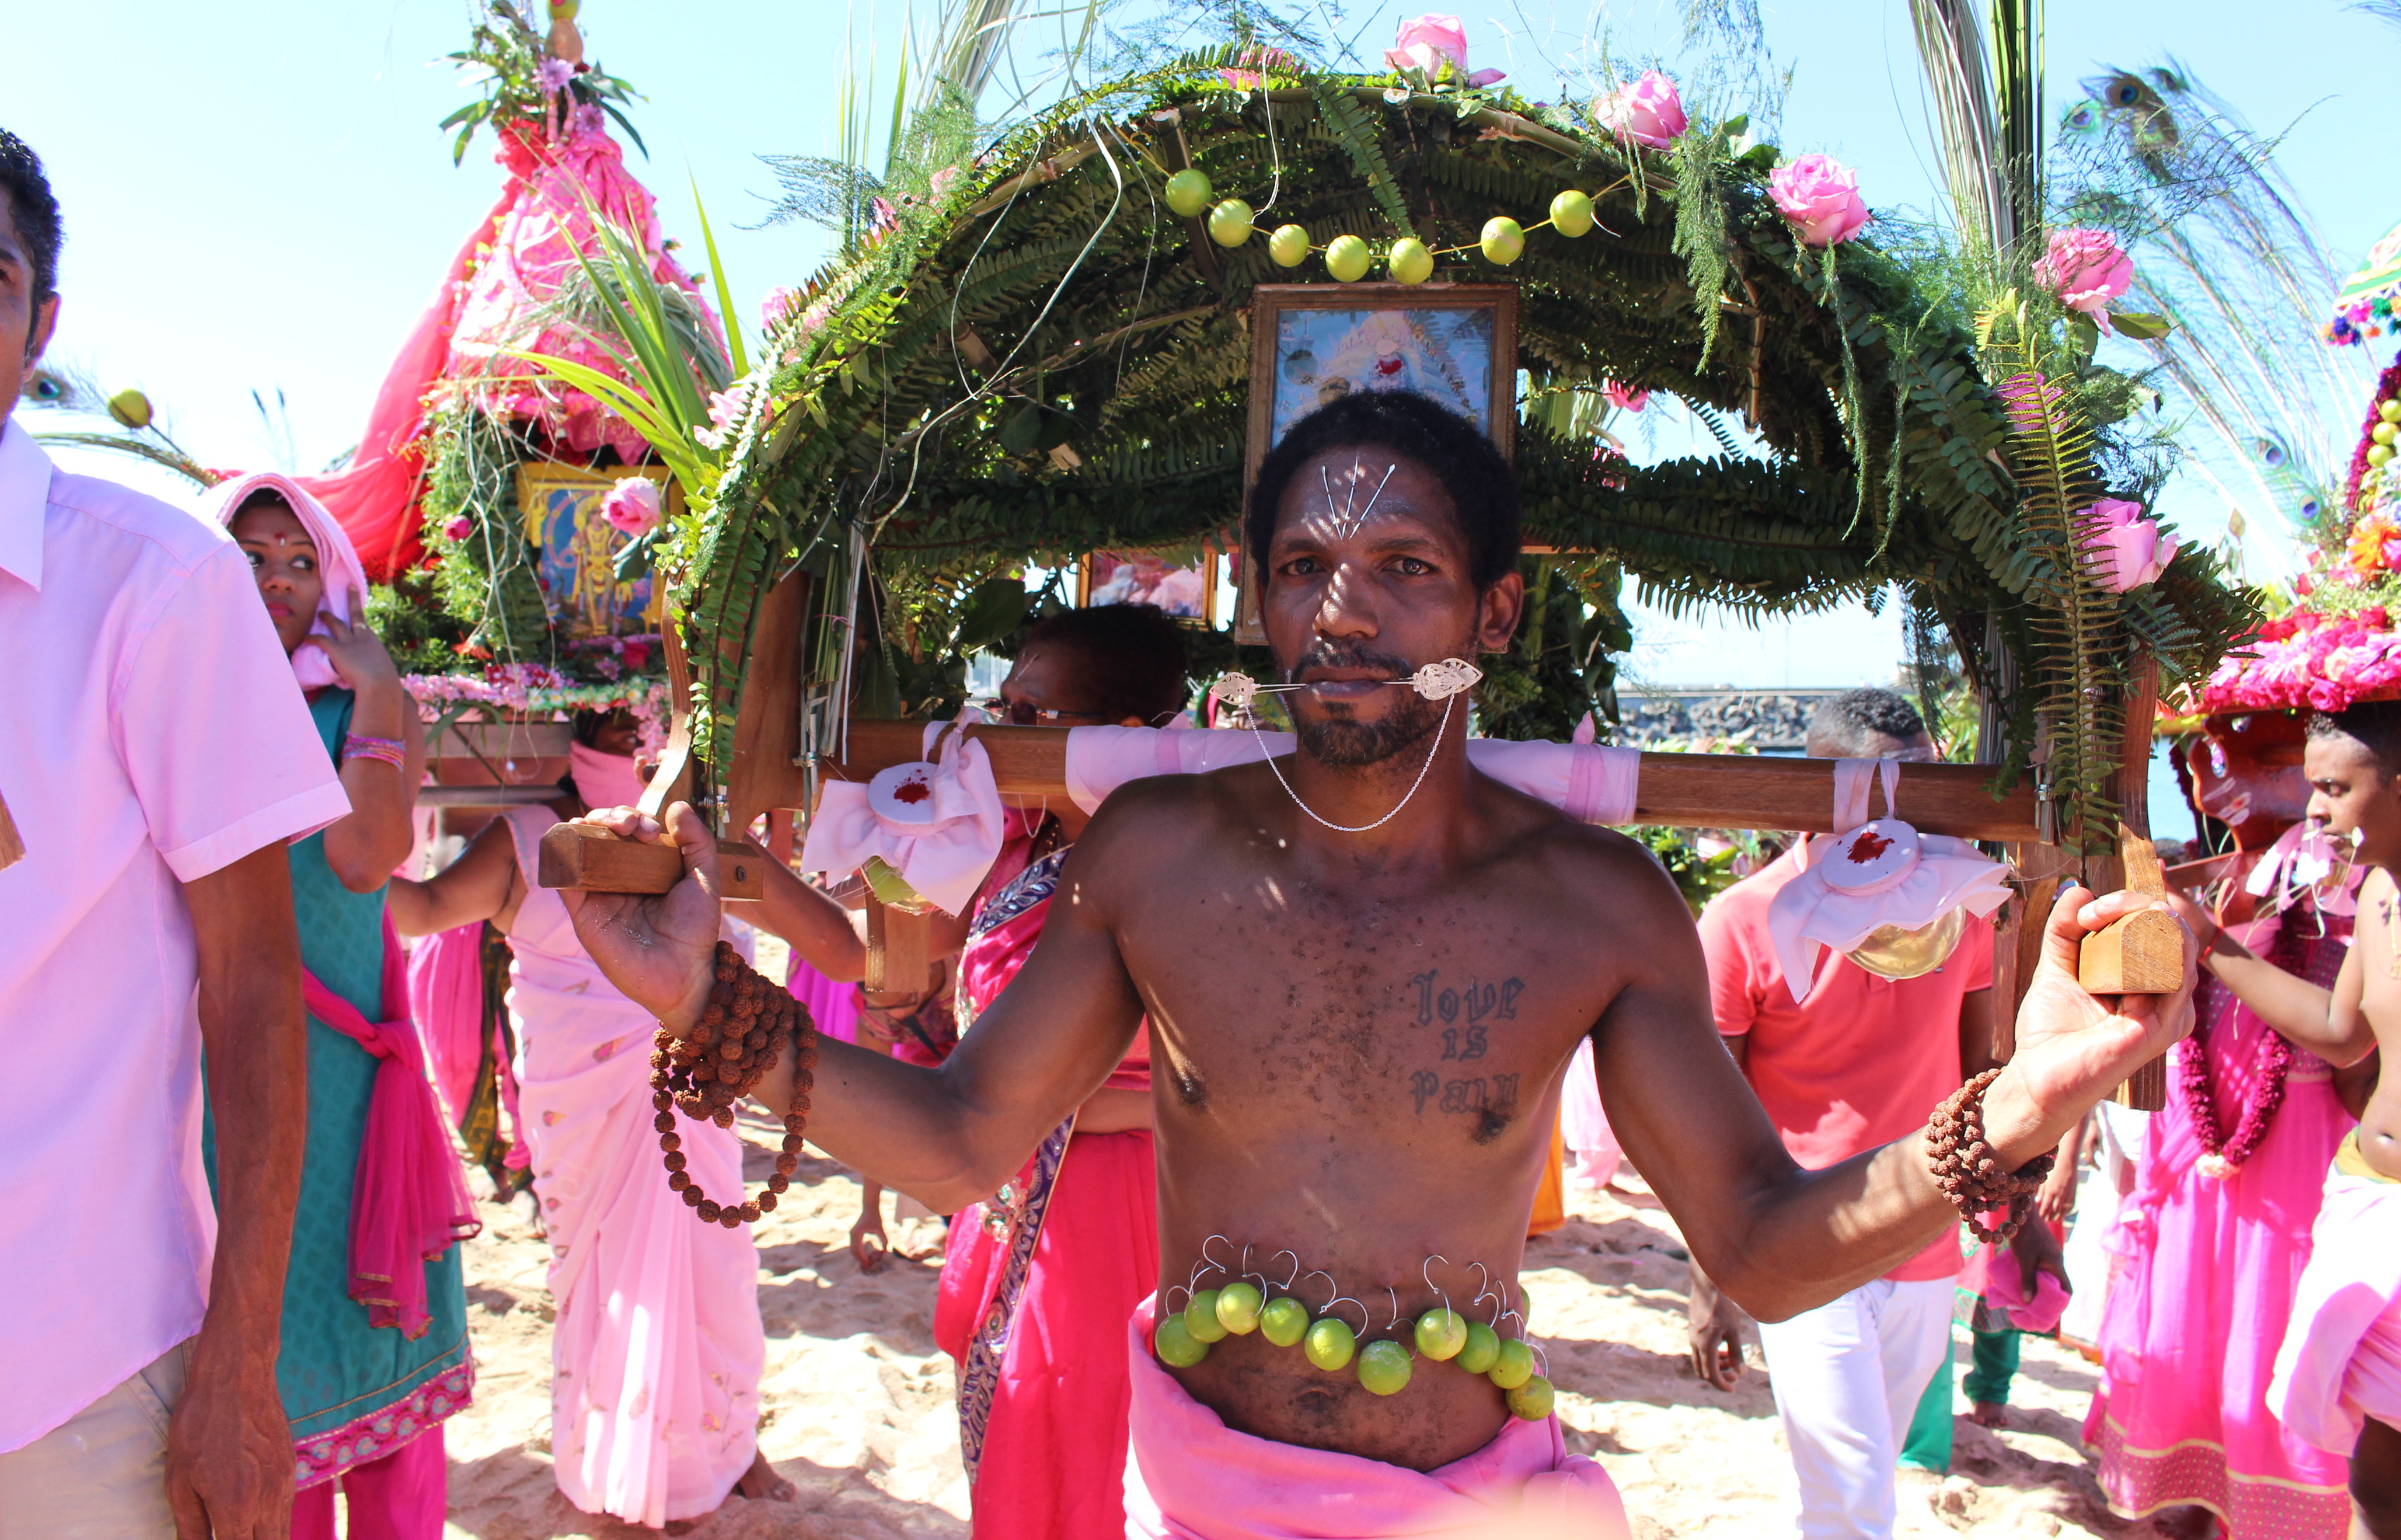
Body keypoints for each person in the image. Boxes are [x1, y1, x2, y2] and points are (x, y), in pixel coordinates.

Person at [564, 388, 2192, 1536]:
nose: (1344, 613)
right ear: (1260, 609)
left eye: (1403, 569)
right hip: (1197, 1492)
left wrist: (2019, 1106)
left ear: (1488, 611)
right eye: (1299, 571)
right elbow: (956, 1140)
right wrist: (701, 1001)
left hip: (1468, 1510)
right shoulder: (1158, 861)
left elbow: (1761, 1252)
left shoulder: (1592, 904)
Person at [0, 111, 350, 1538]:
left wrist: (241, 1373)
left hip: (81, 1368)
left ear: (41, 318)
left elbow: (255, 990)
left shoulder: (153, 586)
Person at [386, 707, 796, 1527]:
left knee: (715, 1267)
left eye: (642, 721)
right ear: (573, 733)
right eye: (610, 722)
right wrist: (314, 856)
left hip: (692, 1097)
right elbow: (423, 910)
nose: (628, 738)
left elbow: (821, 947)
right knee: (598, 1280)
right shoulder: (530, 836)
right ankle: (611, 1454)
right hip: (580, 1109)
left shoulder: (699, 842)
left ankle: (730, 1443)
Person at [1682, 687, 2064, 1540]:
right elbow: (1711, 1118)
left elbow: (1983, 1074)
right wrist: (1712, 1280)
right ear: (1824, 790)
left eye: (1926, 789)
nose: (1912, 812)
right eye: (1893, 789)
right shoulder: (1743, 921)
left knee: (1867, 1479)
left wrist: (2023, 1211)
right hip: (1798, 1241)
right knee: (1854, 1500)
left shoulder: (1959, 903)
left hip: (1927, 1236)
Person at [208, 475, 475, 1536]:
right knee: (251, 1334)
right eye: (248, 557)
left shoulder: (362, 706)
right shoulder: (174, 697)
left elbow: (368, 861)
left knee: (370, 1332)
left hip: (348, 1073)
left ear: (334, 578)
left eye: (297, 559)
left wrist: (372, 693)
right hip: (216, 1064)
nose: (275, 579)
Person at [933, 604, 1181, 1540]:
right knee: (1012, 1434)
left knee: (1072, 1436)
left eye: (1031, 717)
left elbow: (1220, 1079)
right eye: (1003, 708)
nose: (1003, 734)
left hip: (1104, 1208)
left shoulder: (1170, 870)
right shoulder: (1010, 844)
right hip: (1003, 1175)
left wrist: (1040, 1109)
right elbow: (864, 955)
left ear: (1116, 740)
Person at [2100, 711, 2372, 1539]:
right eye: (2197, 753)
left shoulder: (2350, 882)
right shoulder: (2216, 875)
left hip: (2300, 1166)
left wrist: (2209, 936)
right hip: (2195, 1159)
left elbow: (2344, 1035)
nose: (2212, 773)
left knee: (2273, 1358)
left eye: (2264, 756)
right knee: (2188, 1360)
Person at [2164, 704, 2401, 1540]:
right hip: (2372, 1204)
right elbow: (2342, 1037)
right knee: (2379, 1480)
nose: (2314, 809)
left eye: (2335, 789)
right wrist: (2203, 935)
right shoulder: (2378, 893)